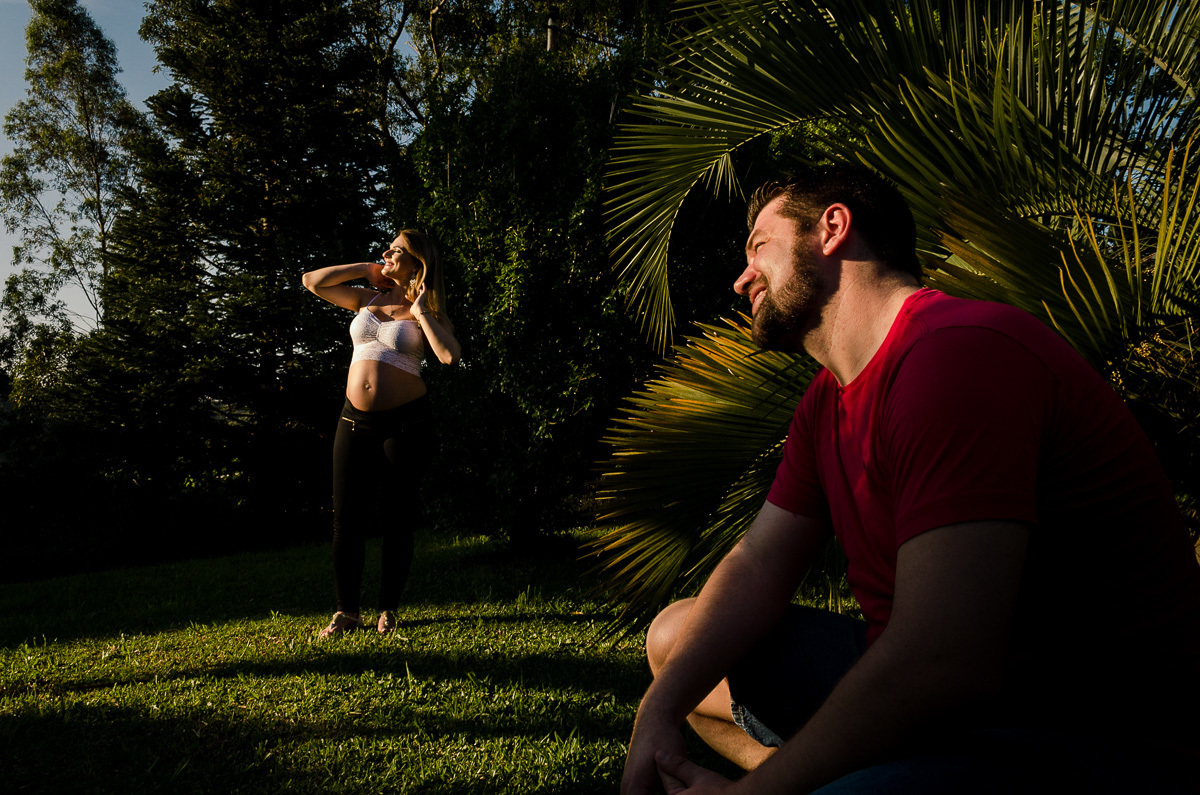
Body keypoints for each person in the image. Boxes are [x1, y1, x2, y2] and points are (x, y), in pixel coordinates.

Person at [621, 165, 1200, 794]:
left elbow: (942, 662)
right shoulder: (827, 403)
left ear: (833, 227)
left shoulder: (952, 356)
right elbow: (758, 566)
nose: (742, 278)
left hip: (1083, 735)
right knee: (676, 639)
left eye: (759, 246)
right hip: (956, 701)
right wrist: (655, 714)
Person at [302, 230, 460, 638]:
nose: (387, 253)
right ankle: (346, 612)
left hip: (405, 423)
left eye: (396, 251)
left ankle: (388, 608)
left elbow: (448, 355)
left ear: (417, 262)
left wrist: (422, 310)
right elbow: (312, 281)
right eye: (388, 248)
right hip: (353, 420)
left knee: (397, 519)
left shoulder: (430, 309)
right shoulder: (367, 298)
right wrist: (368, 270)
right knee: (346, 521)